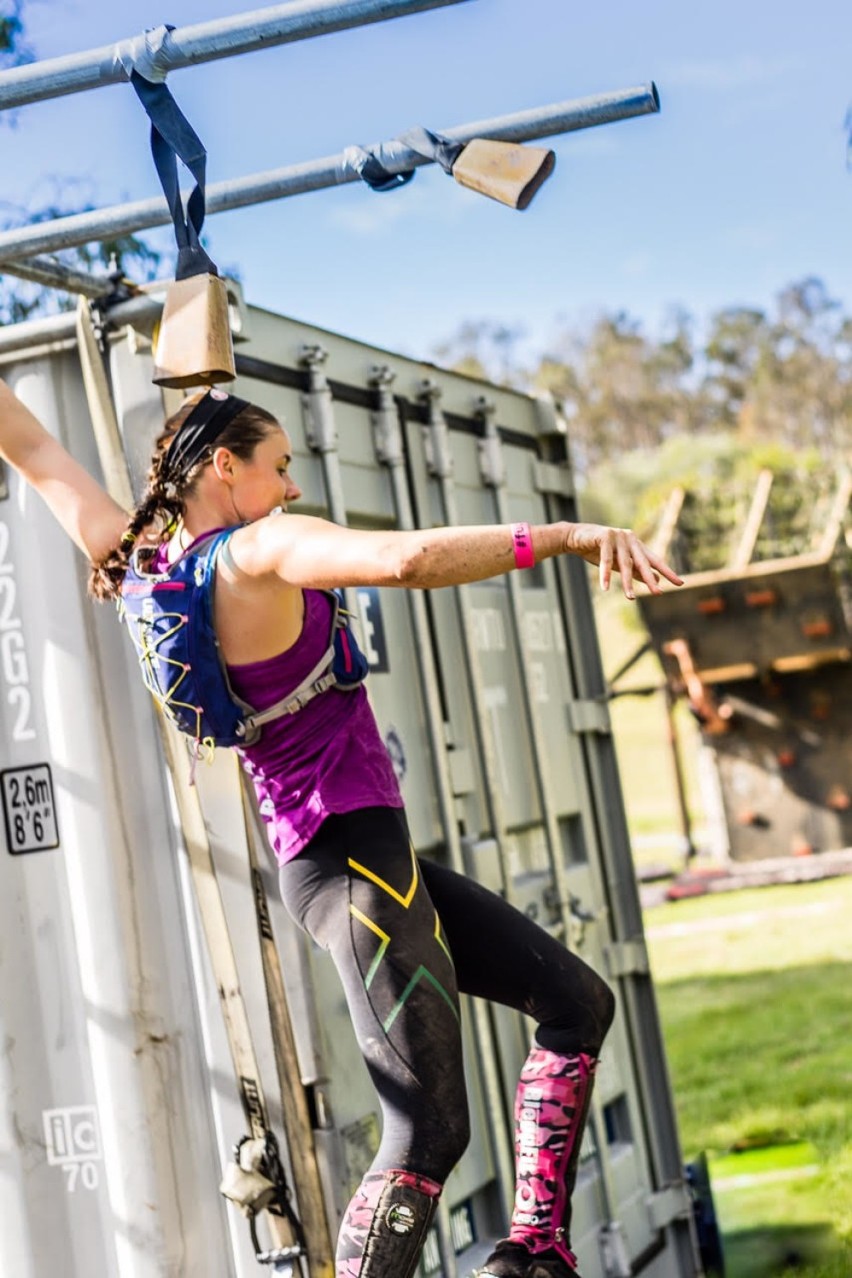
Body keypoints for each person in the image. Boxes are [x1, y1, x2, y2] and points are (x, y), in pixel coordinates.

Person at [0, 379, 682, 1278]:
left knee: (576, 1002)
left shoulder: (146, 564)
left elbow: (37, 451)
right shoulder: (258, 549)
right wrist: (562, 536)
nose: (290, 488)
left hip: (363, 863)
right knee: (427, 1131)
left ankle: (533, 1251)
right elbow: (402, 561)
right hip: (355, 868)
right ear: (224, 467)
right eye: (279, 467)